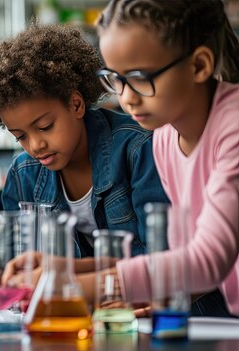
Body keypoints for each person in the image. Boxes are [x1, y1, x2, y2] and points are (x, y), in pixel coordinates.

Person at [0, 24, 169, 261]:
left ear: (76, 104)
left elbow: (162, 259)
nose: (35, 145)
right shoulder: (23, 176)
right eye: (20, 136)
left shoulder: (139, 149)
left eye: (44, 127)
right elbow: (14, 256)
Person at [95, 0, 239, 317]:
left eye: (140, 76)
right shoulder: (163, 137)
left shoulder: (234, 126)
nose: (126, 97)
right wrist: (69, 266)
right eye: (116, 78)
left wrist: (73, 283)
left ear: (199, 65)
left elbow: (209, 260)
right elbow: (191, 258)